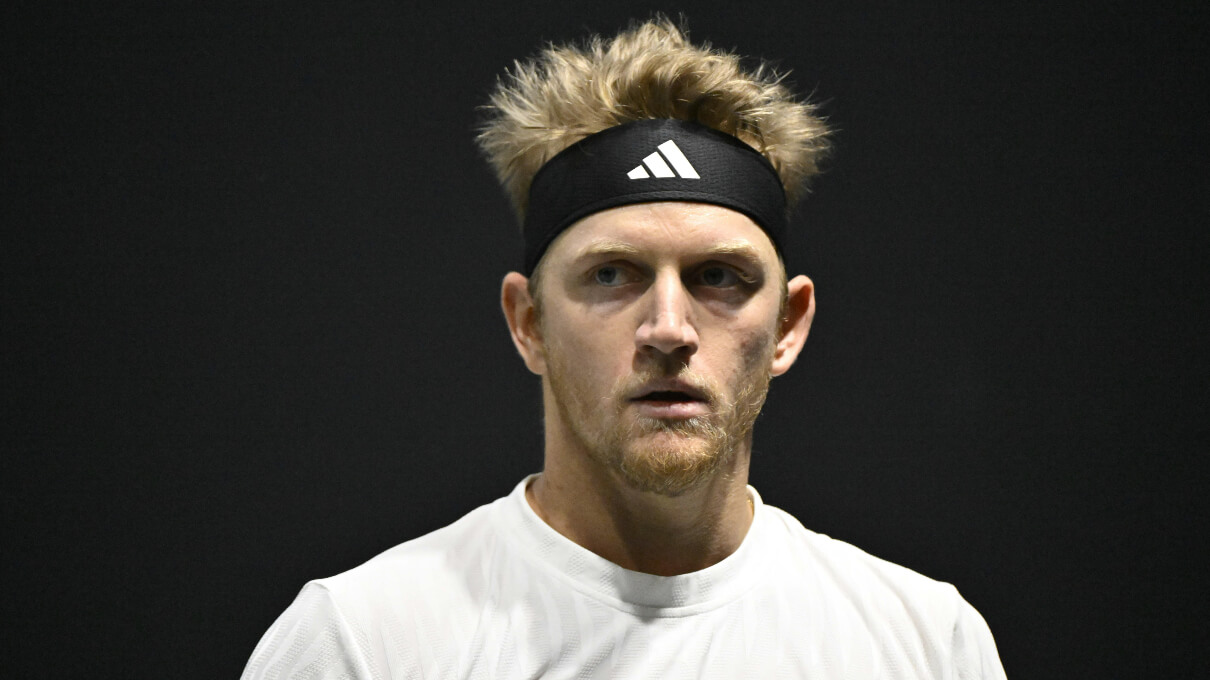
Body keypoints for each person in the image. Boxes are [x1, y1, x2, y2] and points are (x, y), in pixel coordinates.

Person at [242, 18, 1006, 679]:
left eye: (719, 276)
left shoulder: (928, 645)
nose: (668, 328)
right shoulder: (363, 641)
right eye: (611, 274)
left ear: (788, 325)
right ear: (529, 322)